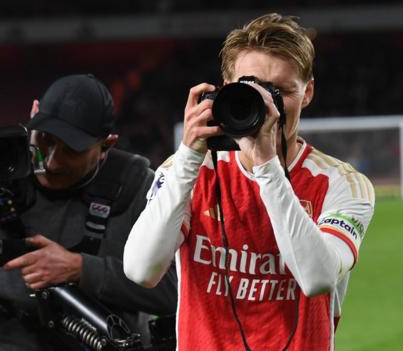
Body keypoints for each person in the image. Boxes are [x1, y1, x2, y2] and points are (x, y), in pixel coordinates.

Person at [124, 13, 375, 350]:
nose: (268, 104)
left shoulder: (340, 183)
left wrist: (267, 166)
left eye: (282, 92)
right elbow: (141, 270)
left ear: (308, 92)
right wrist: (187, 156)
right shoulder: (189, 172)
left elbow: (317, 279)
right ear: (227, 89)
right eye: (253, 90)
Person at [0, 74, 177, 350]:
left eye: (71, 150)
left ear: (106, 145)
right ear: (33, 113)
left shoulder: (137, 186)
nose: (51, 161)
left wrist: (81, 269)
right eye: (45, 139)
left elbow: (176, 290)